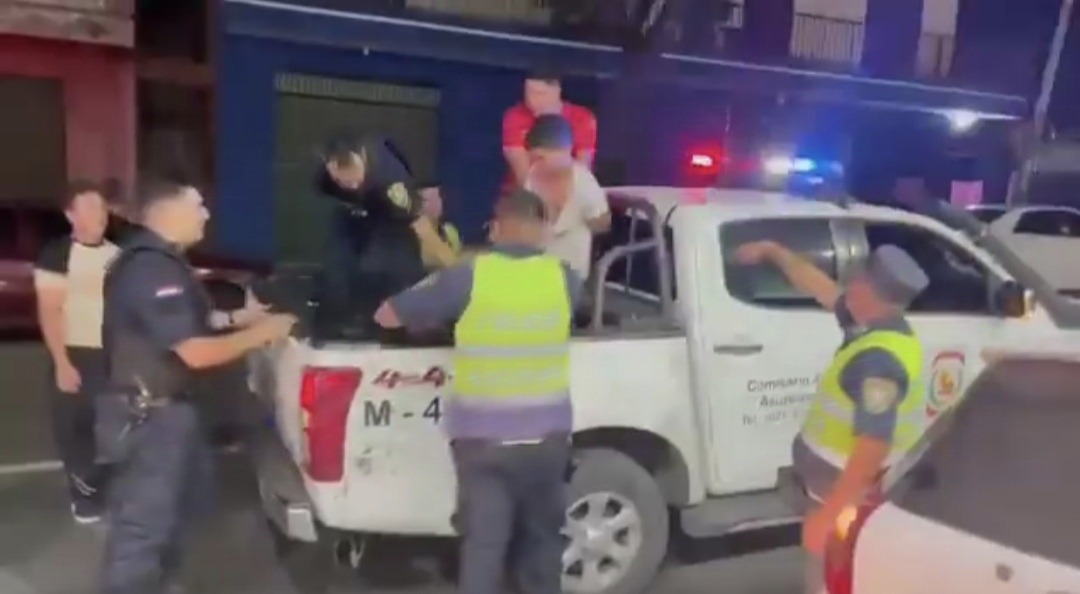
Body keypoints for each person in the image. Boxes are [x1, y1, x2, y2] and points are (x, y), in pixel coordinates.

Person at [374, 189, 583, 594]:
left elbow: (386, 316)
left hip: (485, 444)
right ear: (543, 230)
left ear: (497, 227)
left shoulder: (469, 275)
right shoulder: (566, 278)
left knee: (484, 547)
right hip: (548, 443)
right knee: (543, 546)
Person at [99, 176, 296, 594]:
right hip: (150, 418)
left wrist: (239, 321)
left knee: (179, 520)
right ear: (167, 212)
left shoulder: (167, 261)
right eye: (198, 205)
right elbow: (193, 351)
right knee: (143, 533)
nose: (206, 213)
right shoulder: (150, 267)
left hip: (173, 413)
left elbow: (191, 326)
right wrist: (263, 333)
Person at [733, 240, 929, 594]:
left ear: (870, 293)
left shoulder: (879, 361)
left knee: (830, 577)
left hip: (843, 493)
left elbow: (873, 445)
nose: (847, 288)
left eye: (856, 283)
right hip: (830, 488)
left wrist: (831, 513)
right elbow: (820, 287)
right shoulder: (874, 324)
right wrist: (775, 252)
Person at [314, 131, 458, 336]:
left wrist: (458, 270)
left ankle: (402, 326)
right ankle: (336, 324)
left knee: (387, 263)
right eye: (343, 182)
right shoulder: (324, 174)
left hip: (391, 216)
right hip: (354, 211)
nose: (353, 186)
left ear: (362, 157)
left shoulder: (391, 179)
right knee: (336, 263)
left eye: (356, 179)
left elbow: (422, 228)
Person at [33, 180, 119, 524]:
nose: (99, 215)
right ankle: (83, 497)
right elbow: (50, 311)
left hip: (112, 354)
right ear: (71, 215)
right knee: (74, 430)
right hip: (75, 352)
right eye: (88, 208)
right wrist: (61, 362)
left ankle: (116, 488)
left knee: (115, 427)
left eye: (101, 207)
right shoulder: (57, 255)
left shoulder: (118, 256)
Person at [524, 114, 611, 279]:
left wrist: (592, 216)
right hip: (536, 268)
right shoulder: (534, 175)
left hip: (570, 274)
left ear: (565, 151)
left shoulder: (585, 184)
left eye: (542, 157)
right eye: (534, 158)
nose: (538, 163)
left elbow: (603, 225)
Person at [502, 69, 597, 192]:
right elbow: (521, 172)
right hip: (524, 196)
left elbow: (583, 167)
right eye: (528, 93)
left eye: (540, 94)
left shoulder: (583, 118)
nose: (532, 100)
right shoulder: (514, 116)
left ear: (557, 91)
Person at [418, 180, 463, 270]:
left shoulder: (450, 231)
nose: (435, 204)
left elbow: (456, 264)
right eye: (427, 200)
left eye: (438, 197)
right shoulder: (412, 235)